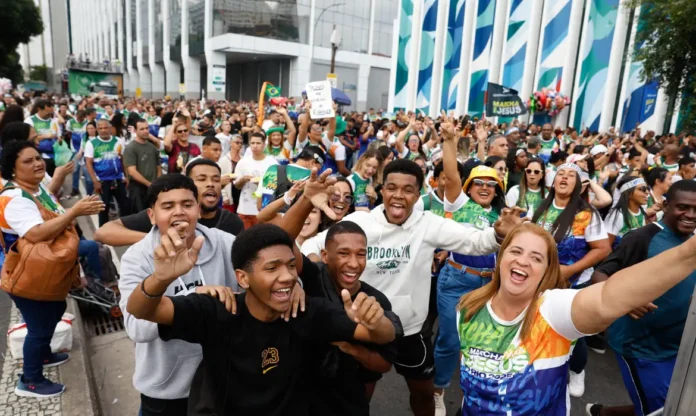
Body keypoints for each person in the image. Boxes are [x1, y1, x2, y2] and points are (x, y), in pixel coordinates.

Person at [301, 159, 526, 416]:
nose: (398, 195)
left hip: (411, 330)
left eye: (407, 190)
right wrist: (320, 277)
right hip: (368, 328)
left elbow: (474, 242)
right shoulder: (362, 222)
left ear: (418, 195)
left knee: (422, 394)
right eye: (391, 188)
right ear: (382, 191)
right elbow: (313, 245)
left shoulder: (428, 224)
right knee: (360, 394)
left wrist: (499, 234)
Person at [125, 221, 397, 415]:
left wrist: (376, 322)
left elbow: (382, 336)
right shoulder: (218, 310)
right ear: (243, 278)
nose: (288, 276)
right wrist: (160, 279)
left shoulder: (307, 312)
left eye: (291, 266)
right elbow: (142, 310)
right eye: (272, 268)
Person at [455, 220, 696, 415]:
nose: (523, 261)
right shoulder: (469, 307)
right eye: (516, 251)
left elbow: (606, 298)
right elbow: (470, 383)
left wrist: (690, 251)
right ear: (500, 257)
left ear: (546, 272)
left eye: (536, 258)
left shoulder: (552, 311)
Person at [118, 173, 242, 416]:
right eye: (167, 206)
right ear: (152, 215)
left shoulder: (226, 243)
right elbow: (136, 328)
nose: (179, 212)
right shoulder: (137, 257)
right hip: (167, 391)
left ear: (198, 209)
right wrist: (194, 297)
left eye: (187, 204)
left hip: (223, 382)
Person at [0, 140, 104, 398]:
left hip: (46, 270)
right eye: (28, 161)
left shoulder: (36, 190)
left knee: (56, 310)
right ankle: (30, 381)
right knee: (38, 327)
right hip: (27, 274)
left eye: (38, 158)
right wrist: (74, 211)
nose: (37, 163)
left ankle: (44, 355)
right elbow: (36, 234)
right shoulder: (14, 198)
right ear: (12, 169)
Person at [587, 179, 696, 416]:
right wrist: (625, 300)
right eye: (683, 207)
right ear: (665, 205)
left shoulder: (693, 241)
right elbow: (600, 274)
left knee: (670, 406)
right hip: (639, 347)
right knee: (659, 409)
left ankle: (603, 413)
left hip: (677, 347)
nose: (690, 215)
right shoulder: (643, 237)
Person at [532, 162, 611, 397]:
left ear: (579, 185)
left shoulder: (586, 214)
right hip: (541, 281)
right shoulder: (541, 208)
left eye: (571, 176)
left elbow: (602, 248)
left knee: (572, 330)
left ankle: (577, 369)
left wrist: (570, 270)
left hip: (574, 283)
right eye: (561, 174)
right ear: (553, 181)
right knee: (541, 325)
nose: (564, 178)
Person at [94, 158, 243, 246]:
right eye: (202, 179)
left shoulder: (232, 223)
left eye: (216, 180)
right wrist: (158, 239)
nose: (210, 184)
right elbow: (103, 233)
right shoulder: (168, 217)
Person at [85, 118, 130, 226]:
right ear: (97, 130)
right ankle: (103, 231)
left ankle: (126, 228)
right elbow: (89, 163)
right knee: (103, 208)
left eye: (105, 127)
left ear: (110, 128)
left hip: (118, 179)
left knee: (125, 205)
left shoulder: (118, 141)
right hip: (102, 181)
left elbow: (123, 160)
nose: (103, 130)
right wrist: (95, 181)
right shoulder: (91, 143)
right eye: (100, 128)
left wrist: (127, 176)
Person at [257, 145, 326, 210]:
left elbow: (259, 205)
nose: (317, 172)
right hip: (290, 218)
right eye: (318, 169)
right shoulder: (313, 180)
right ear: (312, 162)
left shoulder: (272, 169)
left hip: (265, 216)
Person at [234, 132, 278, 228]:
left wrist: (262, 184)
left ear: (264, 145)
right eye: (252, 143)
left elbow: (276, 186)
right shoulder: (243, 162)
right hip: (244, 210)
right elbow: (237, 186)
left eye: (258, 143)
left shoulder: (272, 163)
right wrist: (243, 180)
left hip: (264, 210)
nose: (255, 146)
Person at [123, 119, 161, 212]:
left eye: (147, 128)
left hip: (153, 187)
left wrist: (157, 182)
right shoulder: (131, 148)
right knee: (141, 215)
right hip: (138, 188)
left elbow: (158, 167)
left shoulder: (152, 147)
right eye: (142, 129)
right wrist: (149, 184)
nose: (145, 131)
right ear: (135, 130)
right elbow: (132, 171)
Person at [605, 175, 649, 249]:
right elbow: (606, 247)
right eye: (642, 189)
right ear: (629, 194)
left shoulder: (641, 211)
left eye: (647, 189)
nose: (647, 192)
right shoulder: (617, 215)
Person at [24, 99, 60, 176]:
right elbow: (28, 138)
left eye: (51, 113)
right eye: (47, 113)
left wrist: (39, 137)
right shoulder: (30, 120)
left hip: (52, 156)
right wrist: (48, 136)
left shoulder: (53, 121)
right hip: (35, 155)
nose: (49, 115)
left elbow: (57, 136)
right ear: (39, 109)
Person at [218, 133, 243, 211]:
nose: (239, 145)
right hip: (229, 192)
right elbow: (220, 178)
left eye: (241, 143)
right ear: (230, 143)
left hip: (240, 192)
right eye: (237, 142)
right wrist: (224, 196)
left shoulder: (243, 159)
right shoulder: (224, 160)